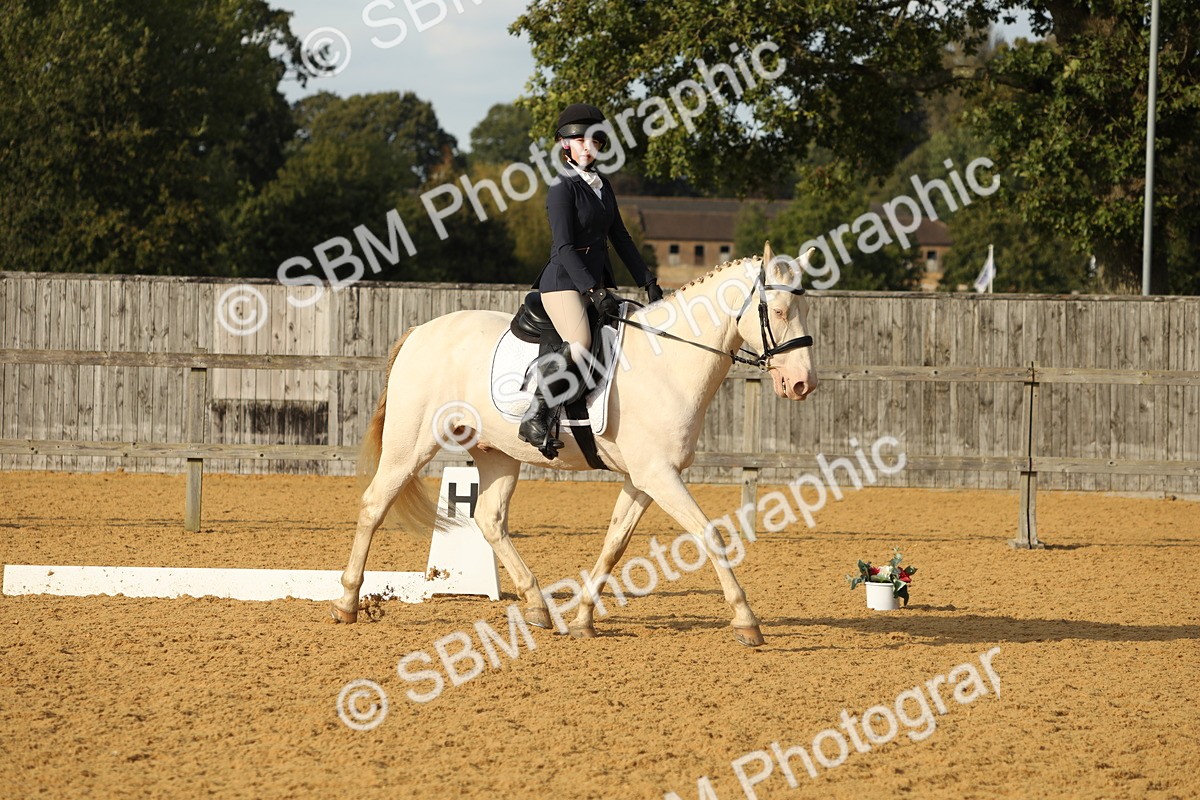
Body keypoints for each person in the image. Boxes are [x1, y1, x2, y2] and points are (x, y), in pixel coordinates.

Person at [519, 103, 665, 458]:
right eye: (579, 140)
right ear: (564, 145)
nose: (587, 147)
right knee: (581, 342)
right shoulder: (562, 188)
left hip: (592, 284)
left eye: (595, 140)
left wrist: (648, 281)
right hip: (563, 283)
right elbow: (564, 247)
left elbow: (621, 238)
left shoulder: (603, 186)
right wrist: (594, 289)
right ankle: (536, 414)